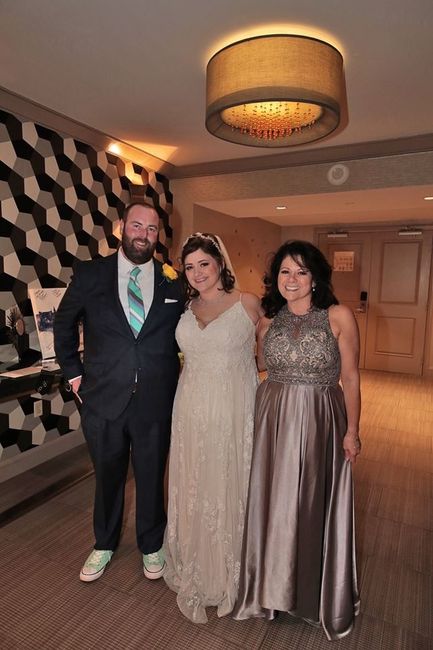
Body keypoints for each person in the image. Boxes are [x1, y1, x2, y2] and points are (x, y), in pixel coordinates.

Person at [233, 240, 361, 640]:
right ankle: (270, 590)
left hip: (321, 418)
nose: (292, 279)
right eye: (285, 272)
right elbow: (255, 365)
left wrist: (352, 431)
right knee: (274, 503)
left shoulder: (338, 315)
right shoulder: (268, 320)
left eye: (301, 271)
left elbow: (351, 377)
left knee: (310, 502)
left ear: (315, 277)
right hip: (273, 417)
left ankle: (310, 593)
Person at [54, 202, 184, 583]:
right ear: (121, 226)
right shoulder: (90, 274)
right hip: (102, 399)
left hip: (155, 400)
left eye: (152, 229)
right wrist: (74, 375)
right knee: (107, 476)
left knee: (151, 475)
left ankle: (151, 543)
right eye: (137, 226)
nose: (143, 235)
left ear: (158, 235)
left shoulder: (174, 281)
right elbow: (63, 325)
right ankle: (104, 543)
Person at [163, 232, 262, 623]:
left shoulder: (248, 302)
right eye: (189, 267)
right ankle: (197, 561)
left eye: (204, 263)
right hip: (190, 408)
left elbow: (273, 347)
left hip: (235, 407)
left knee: (230, 479)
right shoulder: (184, 308)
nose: (197, 273)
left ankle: (233, 569)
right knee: (194, 481)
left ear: (220, 263)